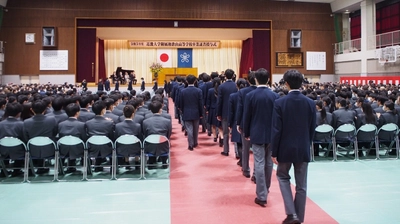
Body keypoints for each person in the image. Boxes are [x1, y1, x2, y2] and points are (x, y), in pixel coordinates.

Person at [271, 69, 316, 224]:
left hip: (284, 147)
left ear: (287, 83)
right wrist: (307, 144)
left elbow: (276, 130)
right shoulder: (310, 103)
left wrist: (274, 151)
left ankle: (291, 214)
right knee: (302, 185)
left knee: (282, 177)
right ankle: (299, 218)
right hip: (303, 147)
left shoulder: (279, 103)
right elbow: (312, 128)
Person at [243, 68, 278, 208]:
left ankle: (261, 195)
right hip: (271, 134)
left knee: (259, 162)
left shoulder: (250, 96)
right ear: (268, 79)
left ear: (256, 79)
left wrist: (246, 132)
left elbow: (247, 116)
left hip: (256, 132)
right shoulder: (275, 96)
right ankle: (266, 189)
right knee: (269, 163)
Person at [58, 103, 87, 173]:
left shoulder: (60, 124)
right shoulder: (81, 125)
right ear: (77, 113)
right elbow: (84, 138)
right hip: (78, 150)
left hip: (63, 149)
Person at [178, 74, 203, 150]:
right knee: (196, 129)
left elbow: (180, 103)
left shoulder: (183, 91)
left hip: (186, 112)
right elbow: (200, 103)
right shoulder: (199, 91)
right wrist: (201, 113)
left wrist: (182, 111)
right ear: (195, 81)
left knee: (189, 129)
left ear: (186, 81)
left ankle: (190, 145)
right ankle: (195, 142)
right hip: (196, 112)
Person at [217, 69, 237, 156]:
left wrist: (218, 113)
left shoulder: (221, 86)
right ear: (233, 76)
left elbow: (219, 101)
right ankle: (237, 152)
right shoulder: (236, 85)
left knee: (225, 133)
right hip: (236, 111)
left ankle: (226, 150)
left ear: (225, 76)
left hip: (225, 112)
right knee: (236, 132)